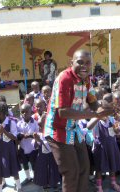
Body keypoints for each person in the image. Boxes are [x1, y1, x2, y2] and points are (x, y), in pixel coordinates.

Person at [44, 49, 113, 192]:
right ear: (71, 63)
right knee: (71, 171)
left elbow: (92, 100)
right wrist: (95, 114)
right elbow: (63, 112)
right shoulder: (65, 78)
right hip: (58, 130)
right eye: (80, 62)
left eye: (88, 63)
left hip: (74, 129)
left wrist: (104, 110)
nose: (84, 66)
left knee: (84, 167)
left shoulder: (86, 79)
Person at [87, 100, 120, 192]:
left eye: (107, 110)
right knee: (99, 168)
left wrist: (117, 130)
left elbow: (117, 132)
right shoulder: (95, 120)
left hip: (112, 147)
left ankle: (113, 183)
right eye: (103, 110)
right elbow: (89, 127)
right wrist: (97, 117)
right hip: (100, 148)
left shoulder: (111, 119)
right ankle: (99, 187)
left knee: (112, 166)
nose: (105, 113)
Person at [0, 102, 22, 192]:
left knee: (14, 170)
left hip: (10, 151)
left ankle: (19, 188)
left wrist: (4, 132)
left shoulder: (11, 123)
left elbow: (15, 137)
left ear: (0, 114)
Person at [17, 104, 39, 185]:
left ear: (31, 112)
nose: (24, 114)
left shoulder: (34, 123)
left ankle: (35, 177)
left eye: (26, 112)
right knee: (25, 163)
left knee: (33, 164)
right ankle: (28, 177)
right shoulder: (19, 123)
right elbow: (17, 133)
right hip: (23, 147)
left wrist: (30, 135)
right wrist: (21, 135)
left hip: (32, 148)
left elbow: (37, 133)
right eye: (22, 112)